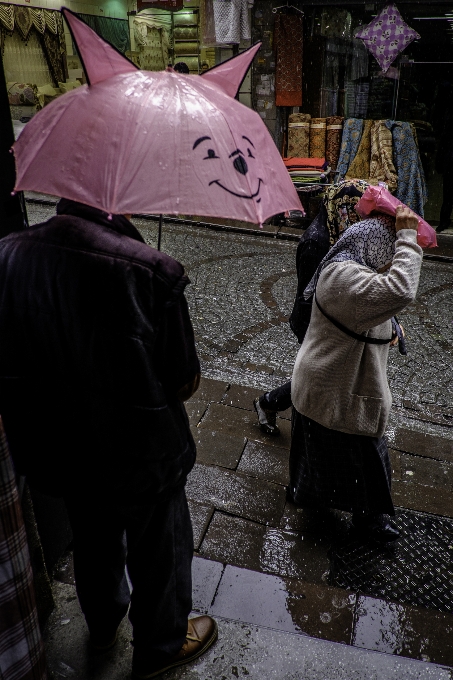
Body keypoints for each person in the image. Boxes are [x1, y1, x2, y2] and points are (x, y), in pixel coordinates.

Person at [0, 198, 217, 679]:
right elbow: (183, 380)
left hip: (61, 442)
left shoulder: (10, 254)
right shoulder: (153, 270)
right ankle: (160, 645)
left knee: (92, 536)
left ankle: (102, 625)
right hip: (143, 450)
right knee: (159, 548)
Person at [289, 205, 422, 541]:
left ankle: (361, 516)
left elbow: (374, 305)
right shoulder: (343, 277)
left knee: (337, 455)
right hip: (333, 388)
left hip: (339, 385)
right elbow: (400, 289)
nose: (391, 261)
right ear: (372, 245)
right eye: (389, 251)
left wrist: (389, 326)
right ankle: (367, 520)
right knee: (353, 456)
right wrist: (407, 238)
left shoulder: (352, 267)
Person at [254, 179, 369, 435]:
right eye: (355, 209)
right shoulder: (316, 241)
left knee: (321, 375)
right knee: (316, 376)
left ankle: (272, 404)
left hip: (331, 318)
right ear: (341, 207)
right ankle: (269, 404)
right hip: (314, 321)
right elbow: (310, 294)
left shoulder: (340, 230)